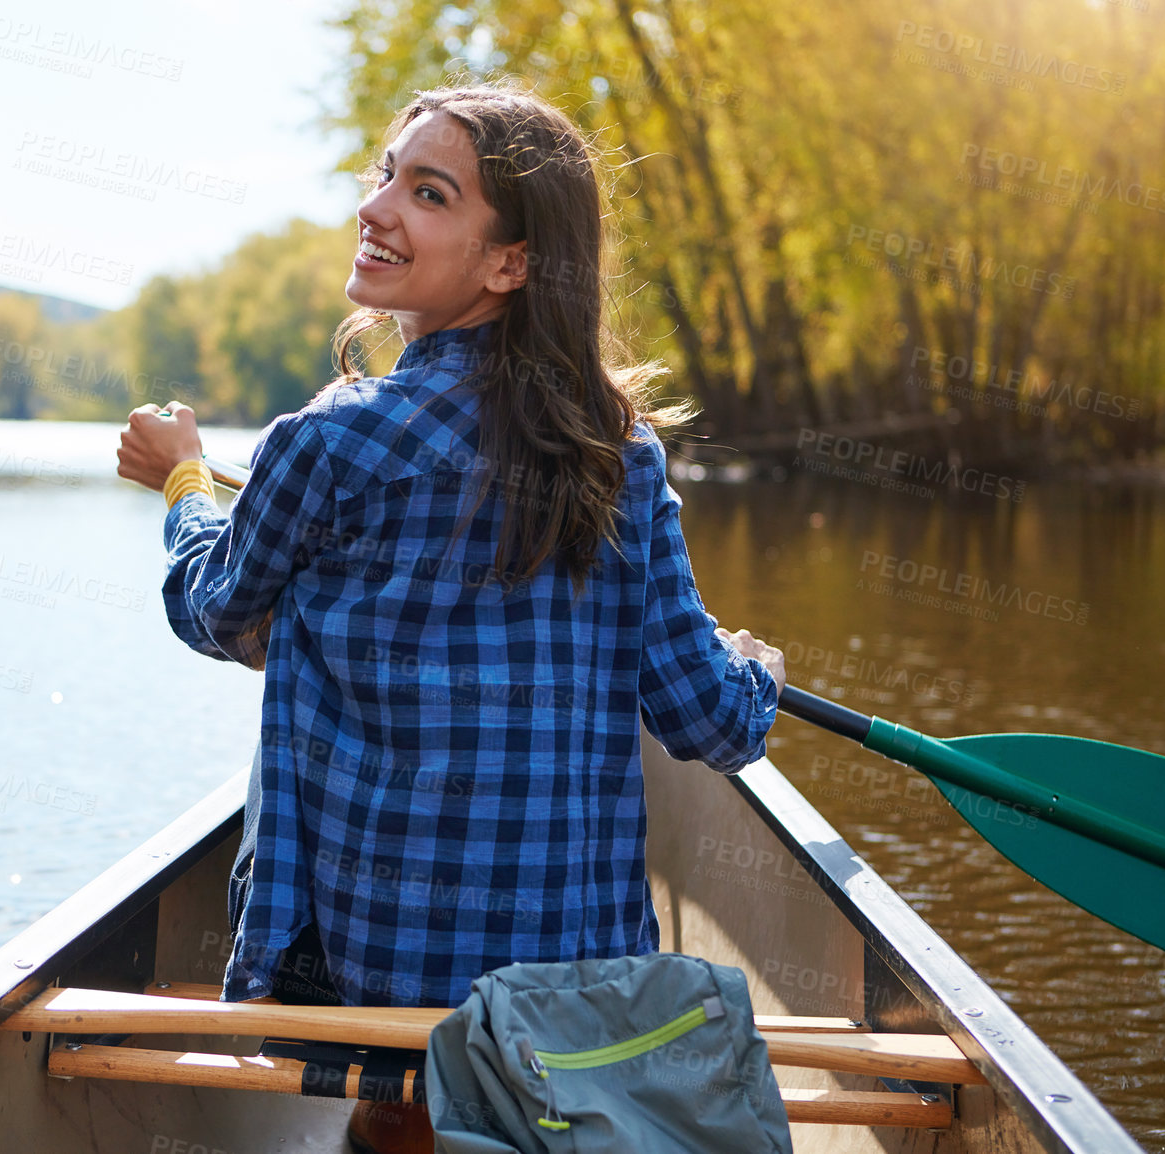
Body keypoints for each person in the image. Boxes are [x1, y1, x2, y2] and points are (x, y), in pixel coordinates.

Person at [115, 79, 785, 1154]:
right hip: (562, 990)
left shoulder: (326, 442)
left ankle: (397, 1115)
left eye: (427, 192)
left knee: (394, 1029)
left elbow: (214, 609)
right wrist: (758, 669)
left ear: (510, 261)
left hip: (363, 973)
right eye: (387, 176)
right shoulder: (620, 454)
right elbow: (710, 721)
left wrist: (186, 480)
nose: (379, 207)